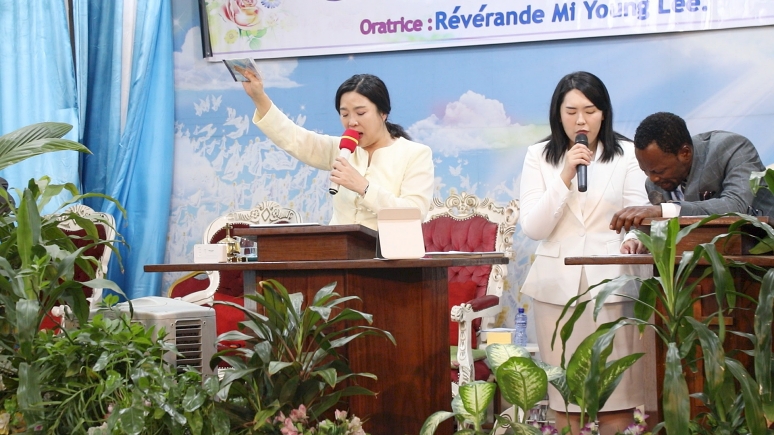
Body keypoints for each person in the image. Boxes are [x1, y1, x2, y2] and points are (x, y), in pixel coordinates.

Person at [519, 71, 650, 435]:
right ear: (557, 114)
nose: (581, 120)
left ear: (604, 113)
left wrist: (635, 237)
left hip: (613, 287)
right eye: (571, 111)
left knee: (617, 397)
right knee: (567, 399)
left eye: (590, 111)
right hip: (555, 290)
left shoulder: (626, 154)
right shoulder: (538, 156)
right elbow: (534, 228)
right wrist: (564, 175)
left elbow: (640, 214)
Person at [238, 69, 434, 230]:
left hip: (390, 257)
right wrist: (258, 97)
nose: (352, 122)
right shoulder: (341, 149)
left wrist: (364, 187)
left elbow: (414, 213)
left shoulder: (415, 154)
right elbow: (293, 138)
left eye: (361, 113)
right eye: (344, 114)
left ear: (383, 113)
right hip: (341, 252)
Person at [610, 112, 774, 241]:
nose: (653, 179)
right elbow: (665, 227)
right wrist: (637, 238)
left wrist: (664, 210)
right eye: (646, 171)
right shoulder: (654, 184)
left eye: (659, 171)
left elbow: (737, 205)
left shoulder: (731, 148)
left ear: (685, 153)